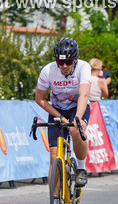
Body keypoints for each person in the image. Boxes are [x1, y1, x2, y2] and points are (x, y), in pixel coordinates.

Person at [34, 37, 92, 187]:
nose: (65, 66)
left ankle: (81, 168)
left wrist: (77, 119)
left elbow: (84, 95)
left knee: (75, 130)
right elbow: (39, 99)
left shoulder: (83, 67)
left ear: (75, 61)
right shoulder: (48, 70)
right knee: (54, 158)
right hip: (57, 109)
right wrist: (60, 117)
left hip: (77, 107)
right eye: (60, 63)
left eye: (69, 62)